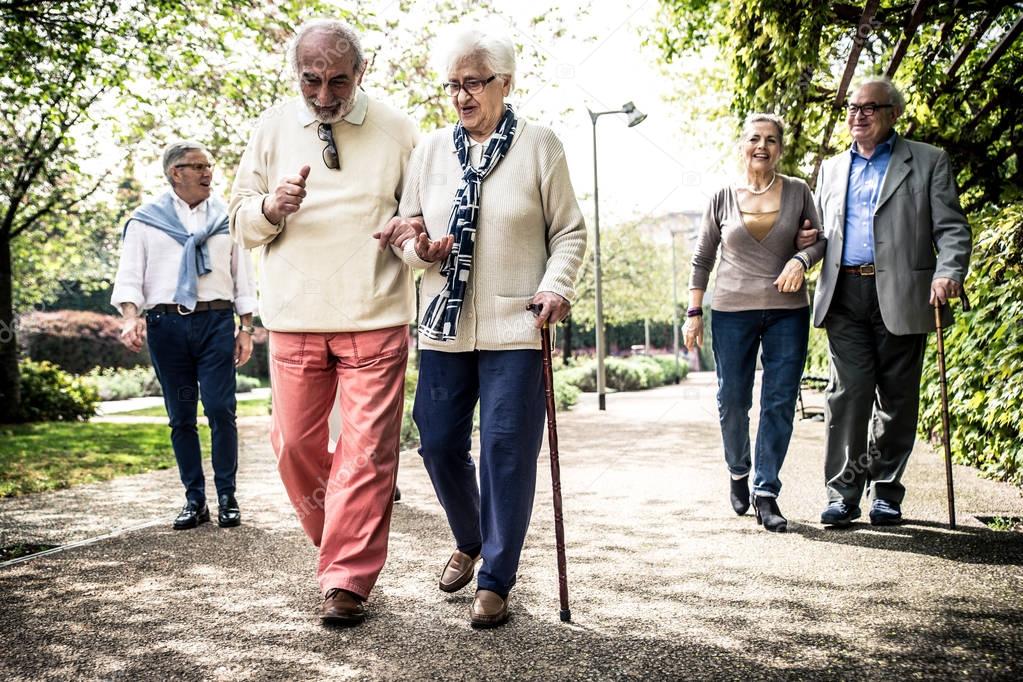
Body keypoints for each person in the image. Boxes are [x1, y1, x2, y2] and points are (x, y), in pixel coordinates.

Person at [391, 26, 586, 628]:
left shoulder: (540, 147)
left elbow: (570, 232)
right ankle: (471, 536)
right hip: (445, 326)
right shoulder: (429, 152)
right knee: (439, 440)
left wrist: (556, 285)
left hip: (515, 324)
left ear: (505, 82)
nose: (461, 95)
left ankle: (496, 578)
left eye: (473, 83)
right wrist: (420, 248)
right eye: (452, 85)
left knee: (506, 450)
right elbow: (406, 227)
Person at [228, 19, 420, 626]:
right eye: (312, 80)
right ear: (297, 75)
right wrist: (268, 208)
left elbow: (420, 216)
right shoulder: (271, 127)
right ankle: (341, 539)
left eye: (339, 80)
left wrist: (409, 232)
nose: (325, 95)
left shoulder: (399, 131)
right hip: (293, 316)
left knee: (366, 455)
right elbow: (238, 220)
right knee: (291, 447)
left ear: (362, 73)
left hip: (374, 313)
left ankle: (346, 578)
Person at [813, 77, 971, 527]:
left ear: (893, 114)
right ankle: (843, 493)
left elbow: (952, 228)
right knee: (848, 394)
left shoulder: (927, 161)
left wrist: (948, 272)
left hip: (904, 293)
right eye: (852, 107)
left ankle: (885, 490)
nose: (857, 115)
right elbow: (822, 231)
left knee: (897, 399)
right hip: (844, 293)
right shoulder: (830, 169)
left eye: (869, 107)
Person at [684, 113, 825, 533]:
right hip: (730, 309)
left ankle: (766, 492)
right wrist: (693, 312)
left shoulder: (799, 191)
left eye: (771, 140)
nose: (762, 146)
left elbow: (818, 240)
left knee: (780, 400)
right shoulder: (723, 196)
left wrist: (801, 259)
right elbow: (703, 257)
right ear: (742, 145)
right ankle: (739, 470)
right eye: (754, 139)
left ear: (781, 148)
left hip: (787, 310)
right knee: (732, 399)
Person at [112, 140, 256, 531]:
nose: (209, 172)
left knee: (221, 409)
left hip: (216, 323)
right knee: (181, 417)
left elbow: (243, 277)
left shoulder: (229, 217)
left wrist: (247, 328)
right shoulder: (145, 220)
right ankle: (195, 500)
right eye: (199, 166)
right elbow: (130, 276)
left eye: (209, 165)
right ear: (176, 172)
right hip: (167, 326)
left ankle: (227, 496)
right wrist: (130, 317)